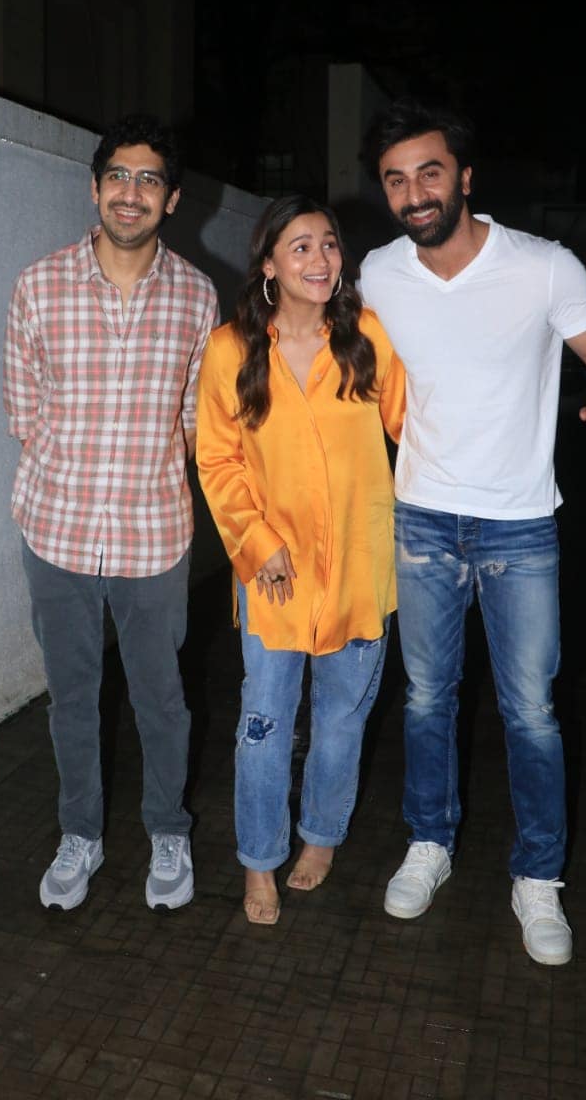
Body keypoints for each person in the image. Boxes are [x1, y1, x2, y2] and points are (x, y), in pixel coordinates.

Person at [358, 97, 586, 965]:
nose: (413, 192)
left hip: (520, 526)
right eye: (394, 179)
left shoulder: (541, 267)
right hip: (419, 516)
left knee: (529, 712)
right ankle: (430, 843)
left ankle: (537, 878)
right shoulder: (378, 273)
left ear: (463, 176)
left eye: (427, 172)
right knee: (426, 698)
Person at [3, 114, 219, 913]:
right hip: (55, 530)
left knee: (160, 699)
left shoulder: (198, 297)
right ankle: (80, 835)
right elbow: (24, 410)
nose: (132, 193)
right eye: (118, 177)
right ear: (94, 189)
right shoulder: (39, 284)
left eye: (149, 180)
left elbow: (200, 422)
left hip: (152, 537)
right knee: (71, 696)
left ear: (172, 200)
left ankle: (167, 829)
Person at [196, 194, 405, 925]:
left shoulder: (367, 336)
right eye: (300, 248)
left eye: (328, 245)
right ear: (268, 266)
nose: (319, 260)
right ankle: (258, 860)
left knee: (342, 722)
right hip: (274, 577)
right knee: (263, 724)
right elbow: (216, 462)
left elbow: (417, 427)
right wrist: (256, 545)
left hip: (358, 569)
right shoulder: (230, 350)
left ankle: (320, 836)